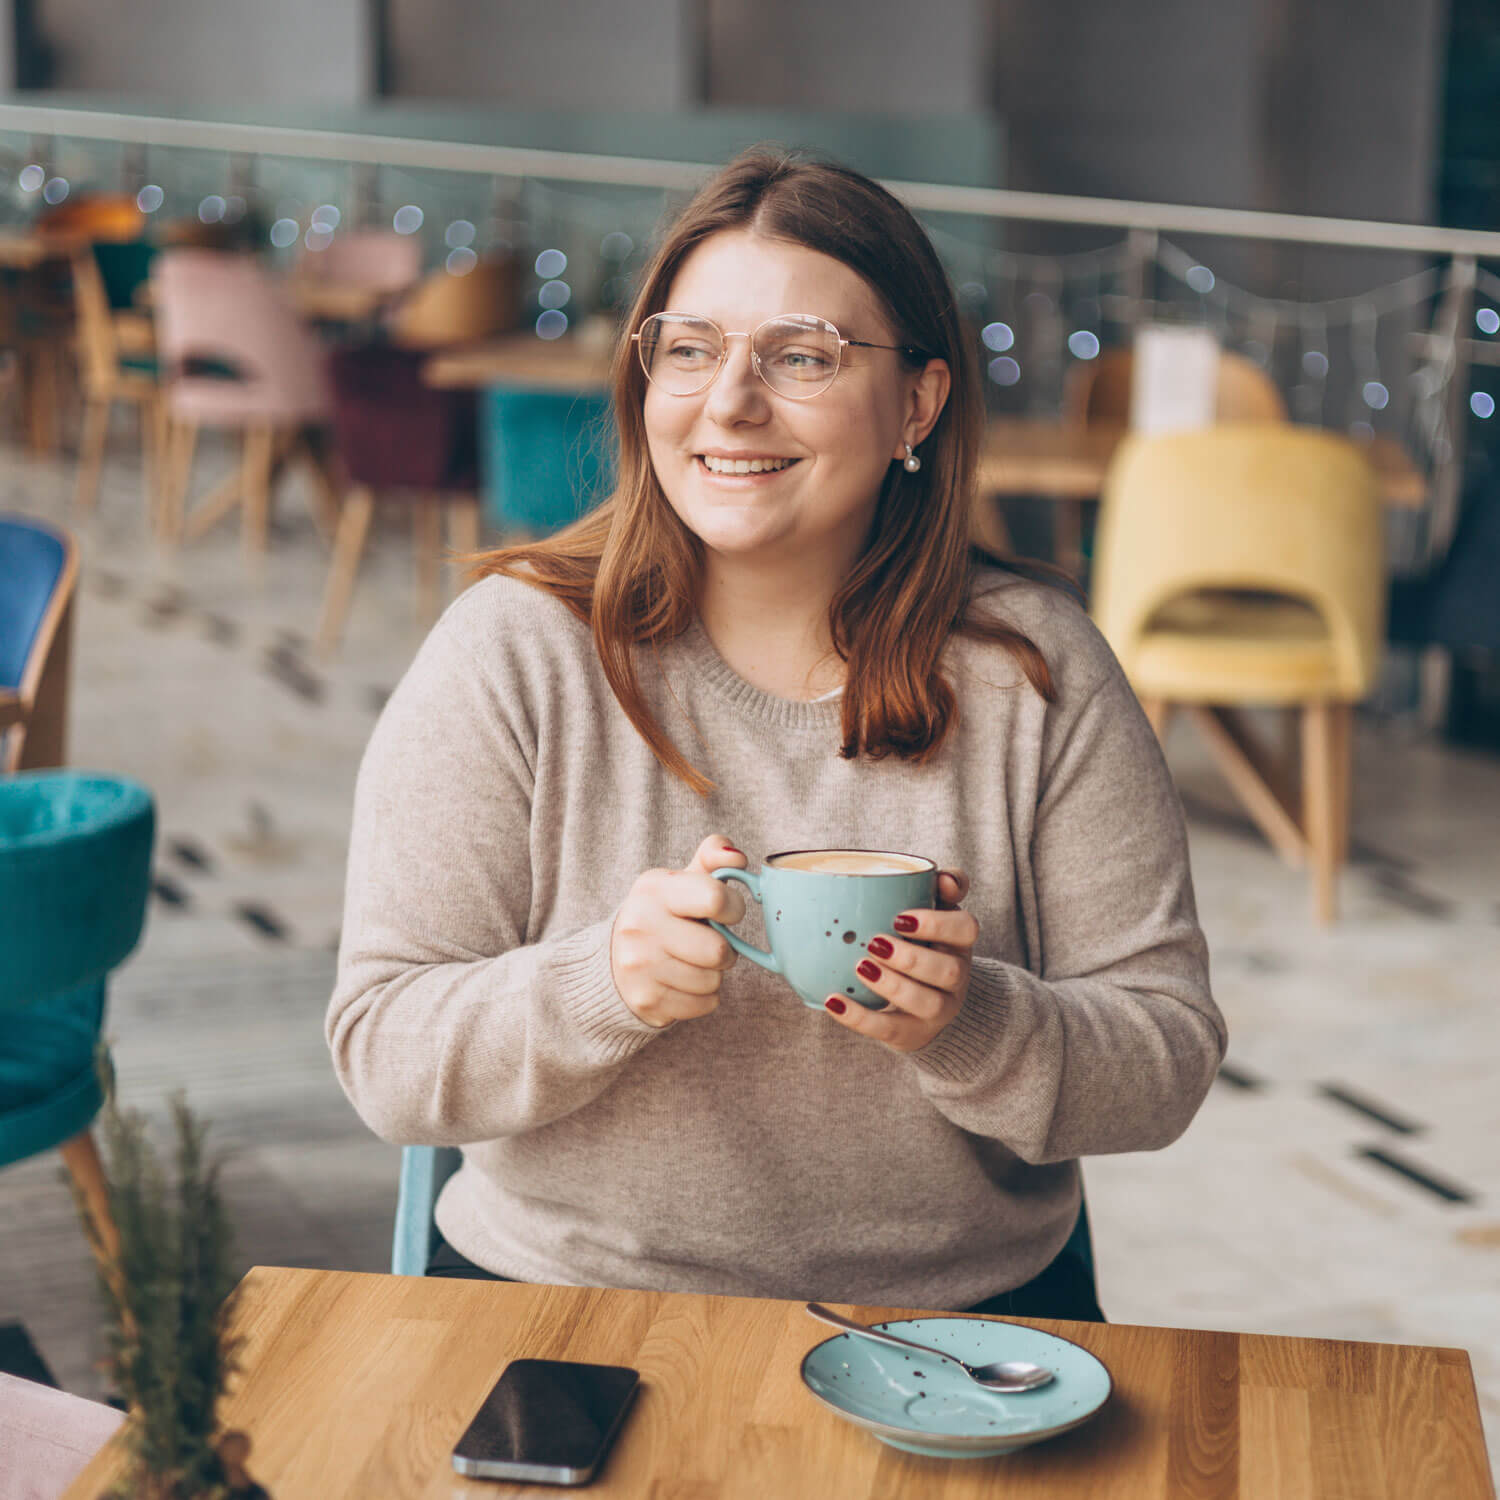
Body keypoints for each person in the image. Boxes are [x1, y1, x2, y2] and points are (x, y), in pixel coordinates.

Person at [327, 149, 1224, 1321]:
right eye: (690, 349)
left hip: (963, 1331)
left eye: (802, 356)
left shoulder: (1035, 673)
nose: (731, 401)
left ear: (918, 402)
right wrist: (605, 982)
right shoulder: (515, 652)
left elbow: (1165, 1064)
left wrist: (971, 1022)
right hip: (562, 1306)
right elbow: (385, 1056)